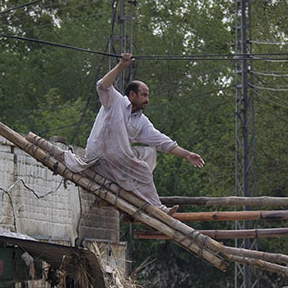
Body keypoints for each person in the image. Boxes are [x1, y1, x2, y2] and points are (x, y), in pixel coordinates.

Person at [79, 53, 204, 214]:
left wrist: (187, 155)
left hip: (117, 163)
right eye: (144, 95)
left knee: (150, 153)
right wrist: (121, 65)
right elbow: (102, 86)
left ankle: (133, 187)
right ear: (132, 95)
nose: (147, 99)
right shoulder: (114, 101)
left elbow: (162, 142)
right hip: (99, 160)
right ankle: (157, 208)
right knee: (143, 170)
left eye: (148, 95)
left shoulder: (141, 121)